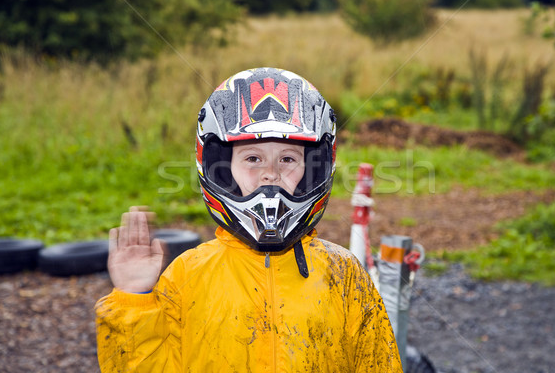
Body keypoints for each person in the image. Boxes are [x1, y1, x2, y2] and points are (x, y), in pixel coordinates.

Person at [95, 67, 403, 372]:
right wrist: (134, 300)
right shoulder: (186, 276)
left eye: (287, 159)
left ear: (313, 169)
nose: (271, 172)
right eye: (252, 158)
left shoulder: (343, 274)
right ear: (223, 169)